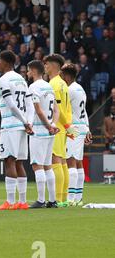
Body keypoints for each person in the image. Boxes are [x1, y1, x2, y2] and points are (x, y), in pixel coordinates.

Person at [0, 51, 35, 211]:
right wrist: (28, 122)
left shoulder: (3, 79)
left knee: (9, 160)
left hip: (11, 125)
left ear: (5, 63)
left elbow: (10, 104)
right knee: (19, 162)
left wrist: (25, 122)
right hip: (23, 126)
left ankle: (10, 202)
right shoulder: (22, 80)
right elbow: (29, 104)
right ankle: (22, 201)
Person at [44, 54, 78, 207]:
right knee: (62, 161)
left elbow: (58, 109)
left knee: (55, 160)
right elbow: (68, 108)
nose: (45, 67)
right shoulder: (64, 84)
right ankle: (63, 198)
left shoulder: (53, 84)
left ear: (53, 66)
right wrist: (68, 125)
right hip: (63, 127)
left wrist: (66, 125)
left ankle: (57, 199)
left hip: (57, 127)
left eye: (46, 64)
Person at [26, 61, 60, 209]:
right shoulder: (48, 86)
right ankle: (52, 200)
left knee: (37, 165)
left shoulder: (33, 87)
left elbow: (38, 110)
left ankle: (40, 200)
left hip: (40, 131)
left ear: (33, 71)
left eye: (28, 71)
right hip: (50, 131)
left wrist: (46, 125)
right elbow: (57, 109)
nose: (27, 73)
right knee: (48, 166)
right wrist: (53, 125)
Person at [62, 64, 92, 206]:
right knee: (78, 161)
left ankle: (71, 199)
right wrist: (87, 128)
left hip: (73, 127)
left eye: (62, 75)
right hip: (81, 126)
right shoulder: (80, 89)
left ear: (67, 76)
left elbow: (64, 110)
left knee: (71, 160)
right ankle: (78, 197)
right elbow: (84, 111)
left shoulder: (69, 90)